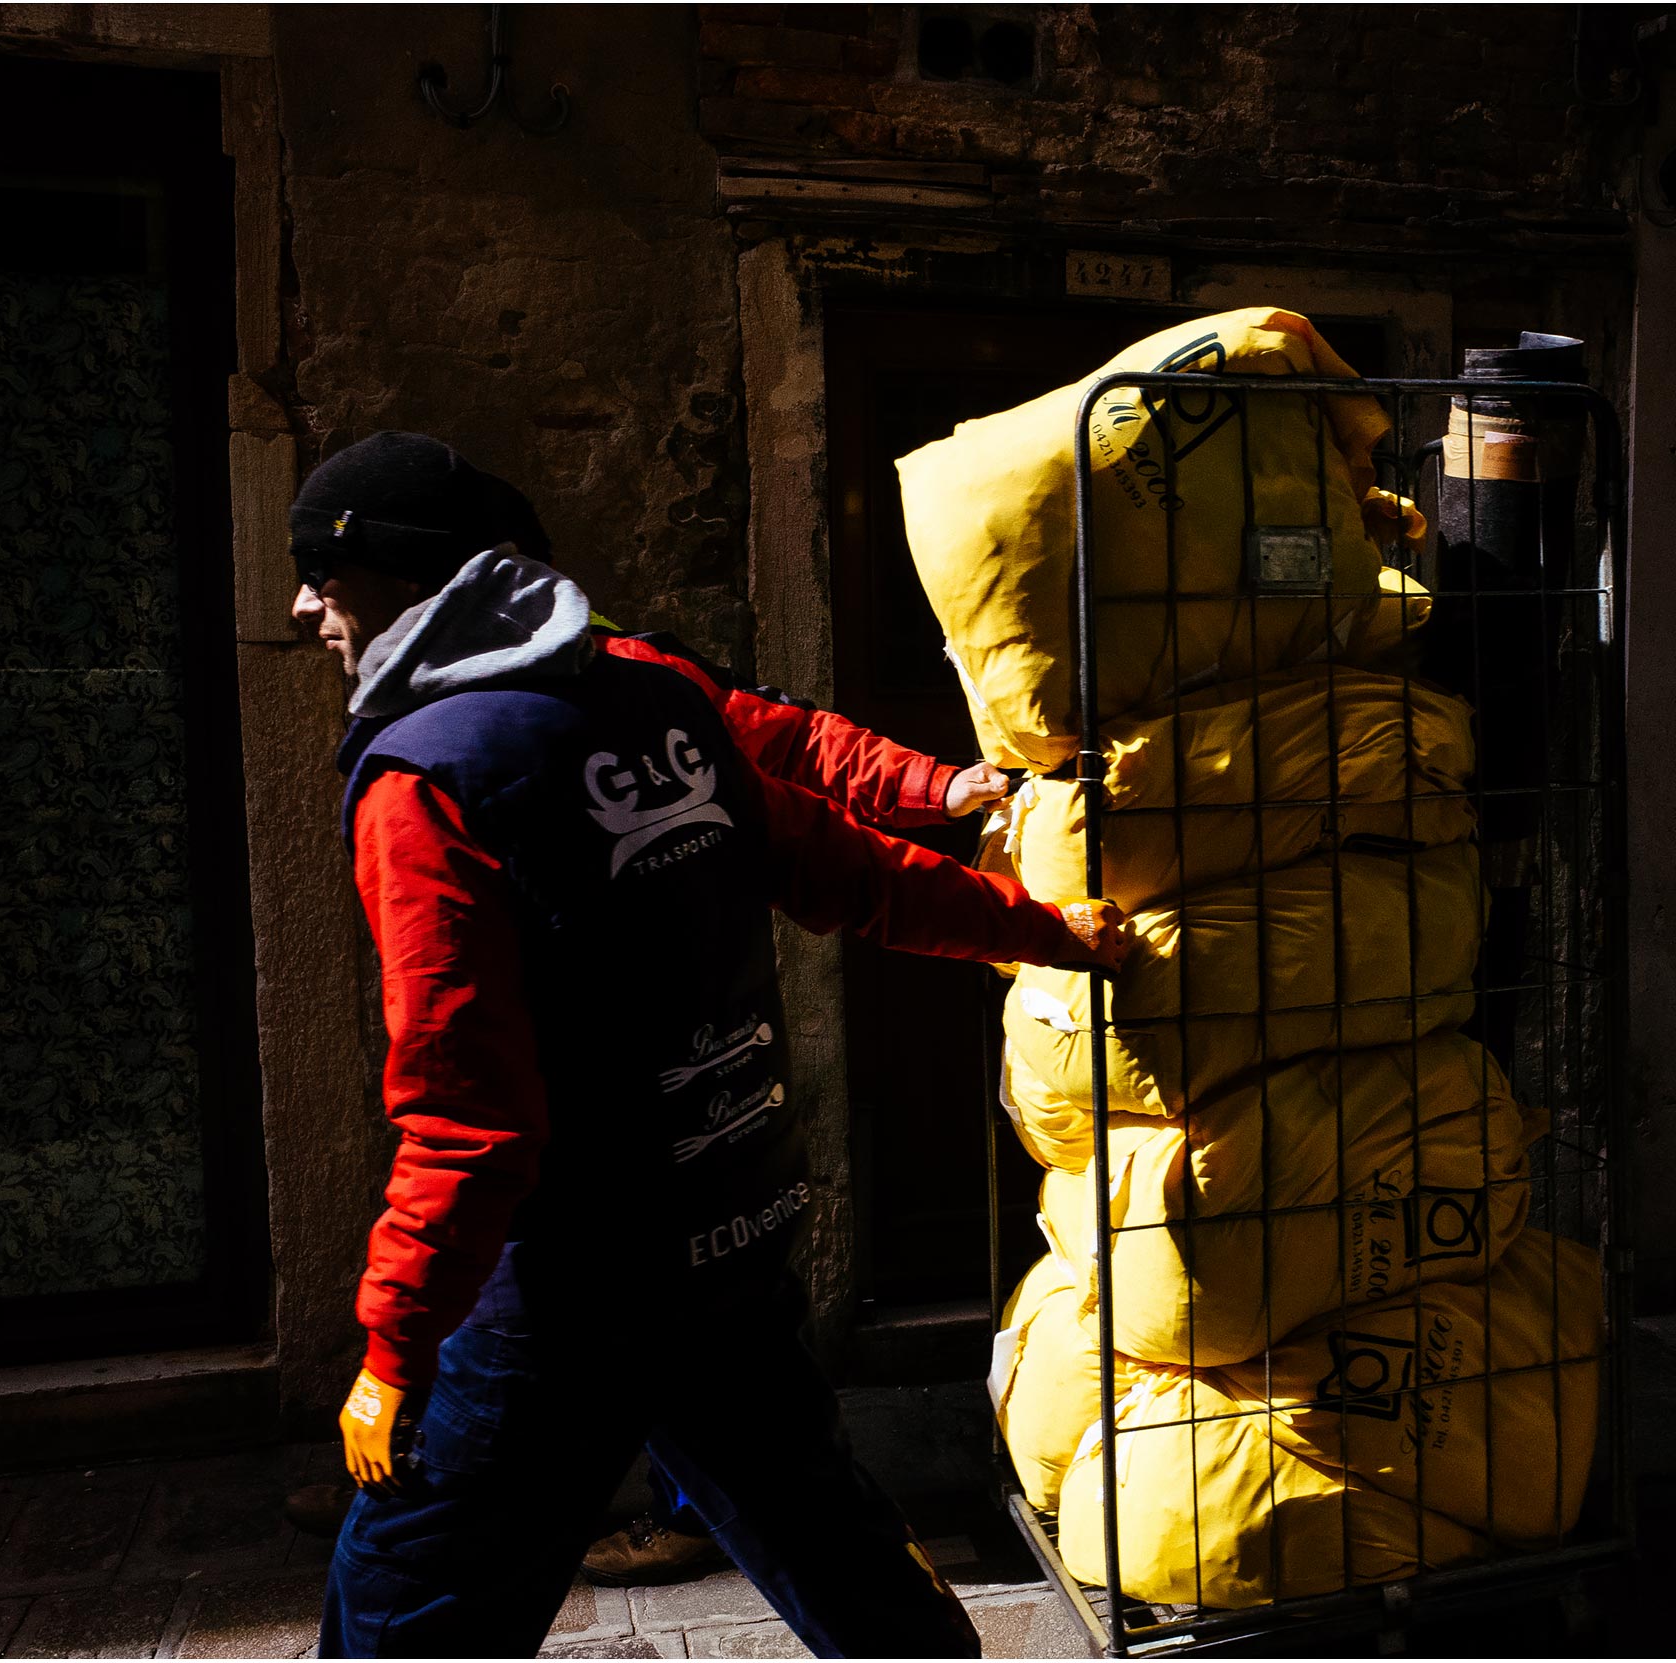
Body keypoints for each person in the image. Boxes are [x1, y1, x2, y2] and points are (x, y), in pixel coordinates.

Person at [290, 433, 1122, 1657]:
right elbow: (847, 871)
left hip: (559, 1293)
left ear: (406, 578)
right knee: (844, 1562)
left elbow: (468, 1112)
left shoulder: (430, 780)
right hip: (724, 1231)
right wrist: (1052, 933)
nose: (304, 603)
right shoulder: (656, 701)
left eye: (323, 571)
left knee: (410, 1603)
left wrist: (393, 1342)